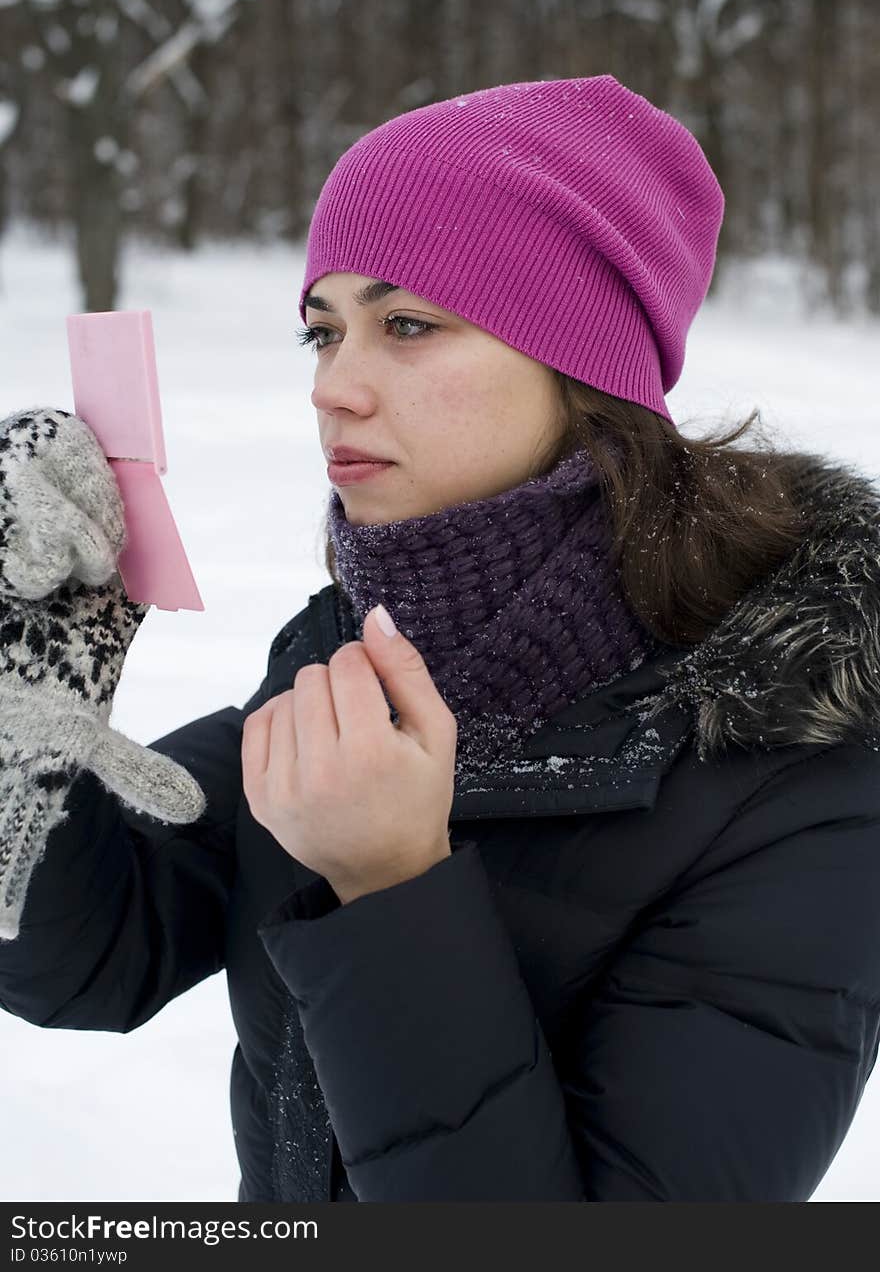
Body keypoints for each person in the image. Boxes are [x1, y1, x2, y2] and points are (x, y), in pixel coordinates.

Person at [1, 74, 879, 1204]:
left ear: (584, 367)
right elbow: (83, 959)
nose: (333, 388)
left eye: (406, 325)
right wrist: (34, 689)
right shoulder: (358, 641)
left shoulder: (798, 775)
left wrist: (391, 888)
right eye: (323, 332)